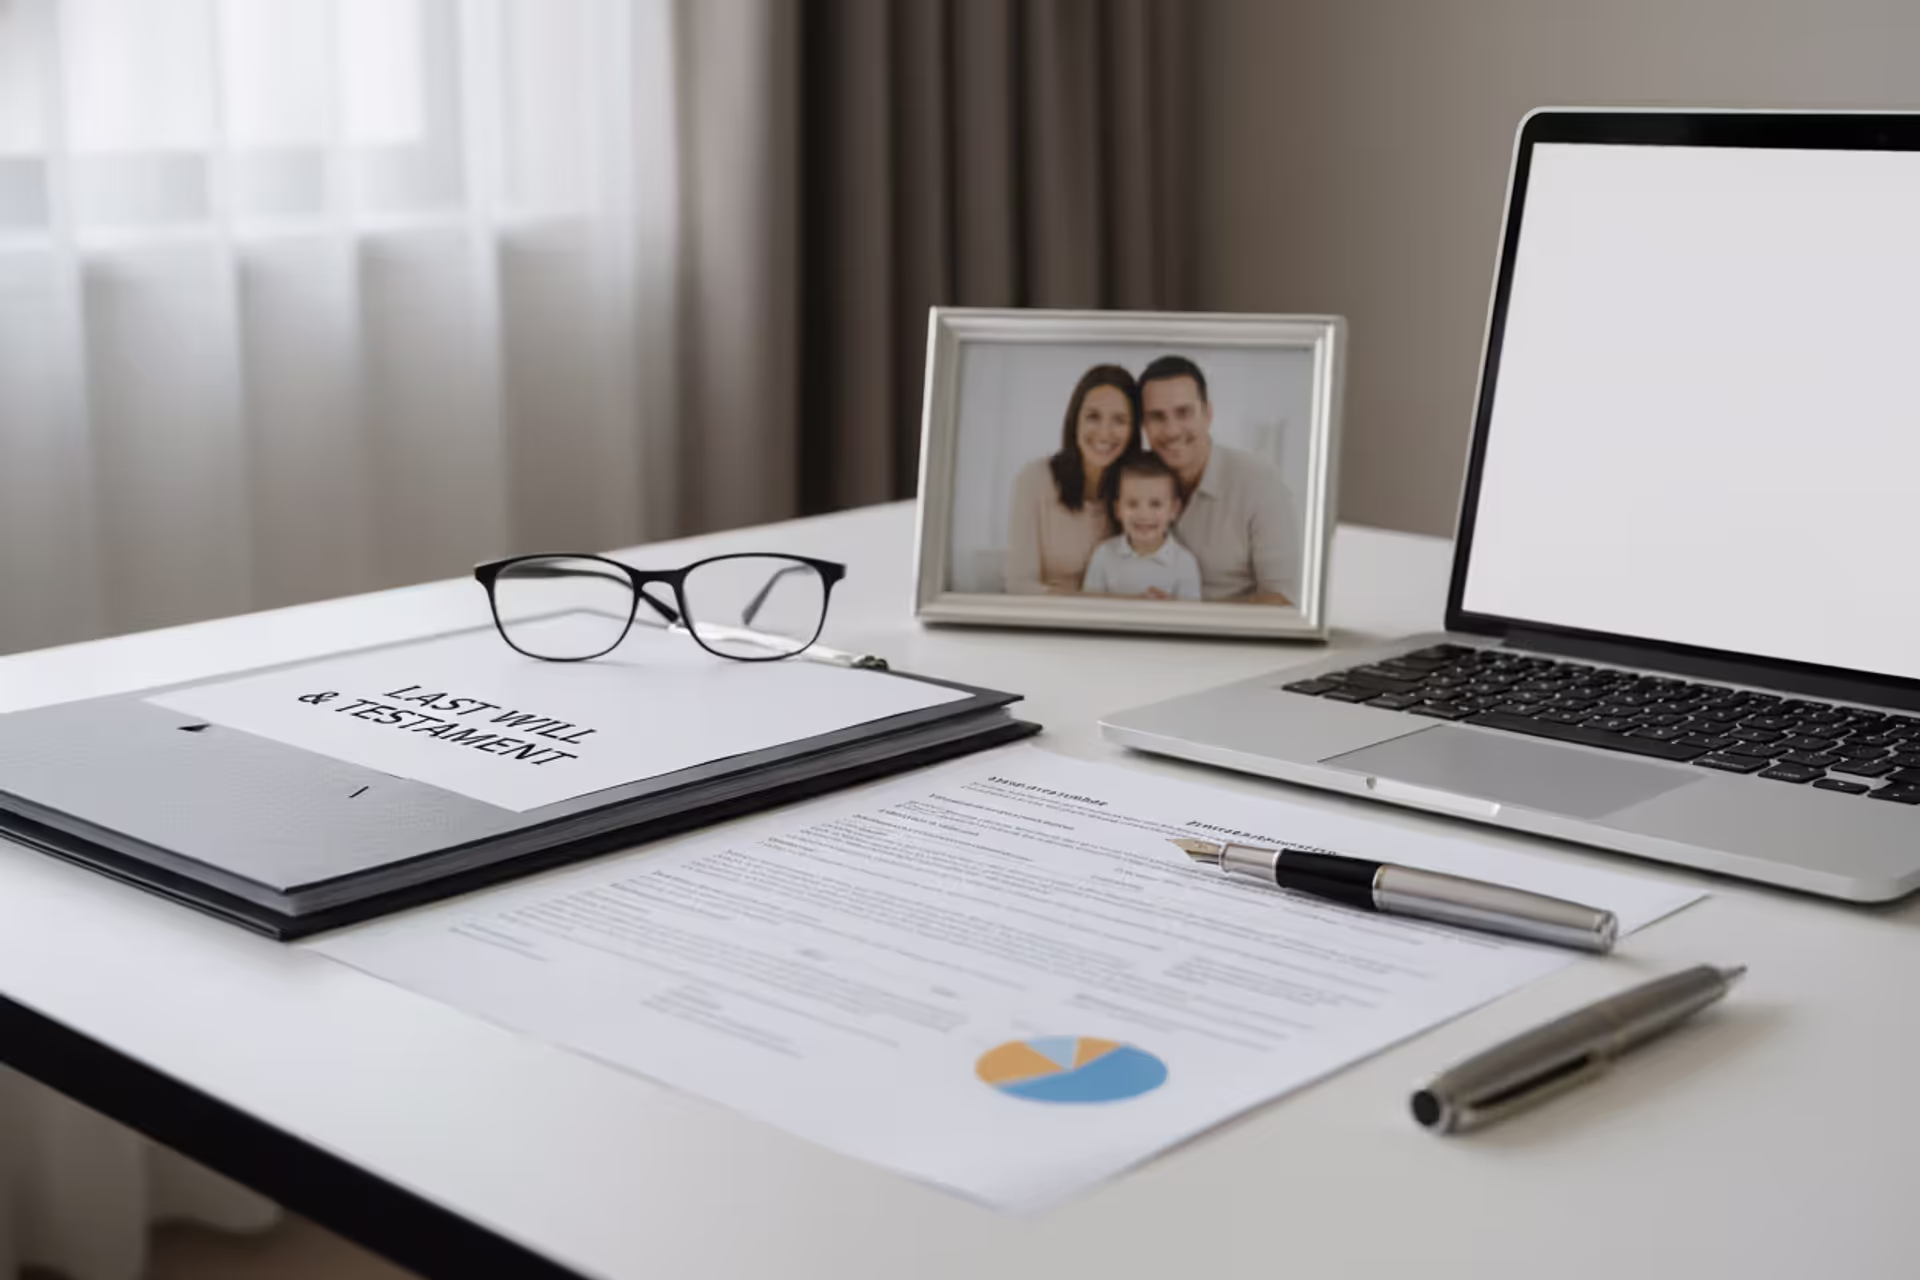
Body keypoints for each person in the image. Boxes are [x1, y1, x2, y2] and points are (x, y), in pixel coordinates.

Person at [1138, 354, 1298, 605]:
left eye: (1184, 413)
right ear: (1144, 426)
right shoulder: (1133, 481)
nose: (1171, 430)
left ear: (1208, 414)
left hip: (1235, 642)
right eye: (1157, 417)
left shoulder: (1260, 484)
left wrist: (1189, 617)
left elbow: (1284, 601)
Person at [1003, 364, 1142, 594]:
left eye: (1119, 420)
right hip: (1050, 621)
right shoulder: (1034, 480)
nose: (1105, 432)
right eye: (1093, 417)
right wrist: (1089, 605)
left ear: (1132, 431)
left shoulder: (1138, 490)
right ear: (1075, 420)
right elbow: (1019, 584)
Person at [1081, 452, 1202, 600]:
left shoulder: (1185, 563)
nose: (1144, 515)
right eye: (1132, 504)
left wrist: (1170, 608)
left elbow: (1191, 618)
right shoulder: (1104, 555)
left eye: (1155, 504)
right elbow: (1090, 610)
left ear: (1174, 510)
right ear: (1118, 509)